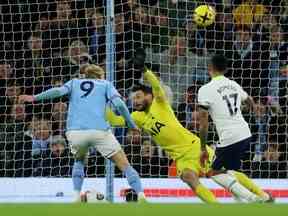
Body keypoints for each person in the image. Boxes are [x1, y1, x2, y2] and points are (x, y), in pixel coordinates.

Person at [107, 48, 271, 203]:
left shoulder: (160, 102)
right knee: (189, 178)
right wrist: (100, 103)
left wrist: (144, 70)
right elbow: (115, 120)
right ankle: (218, 208)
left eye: (138, 97)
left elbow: (156, 85)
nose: (134, 101)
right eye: (133, 98)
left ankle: (260, 194)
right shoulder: (136, 117)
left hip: (194, 146)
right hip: (180, 157)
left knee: (224, 173)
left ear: (148, 96)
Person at [19, 64, 146, 202]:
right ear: (100, 76)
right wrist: (131, 124)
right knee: (125, 165)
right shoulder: (105, 84)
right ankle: (141, 196)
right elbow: (120, 104)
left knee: (79, 161)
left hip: (76, 132)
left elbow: (58, 91)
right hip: (100, 131)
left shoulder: (74, 82)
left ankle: (76, 196)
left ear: (86, 76)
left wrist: (34, 97)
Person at [198, 54, 274, 202]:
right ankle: (243, 202)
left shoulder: (205, 89)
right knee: (230, 172)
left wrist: (202, 149)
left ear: (210, 68)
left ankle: (253, 198)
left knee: (213, 172)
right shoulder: (234, 84)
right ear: (225, 69)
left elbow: (203, 123)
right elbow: (250, 100)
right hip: (246, 133)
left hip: (229, 137)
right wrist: (249, 110)